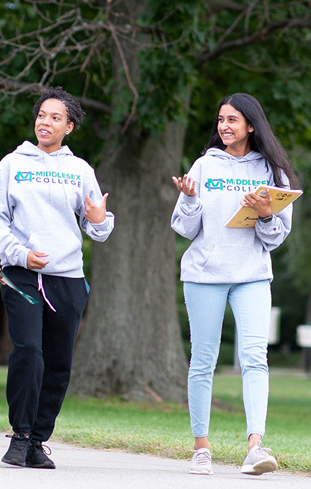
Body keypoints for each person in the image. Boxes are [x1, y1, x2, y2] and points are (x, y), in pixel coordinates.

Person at [0, 87, 114, 469]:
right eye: (42, 114)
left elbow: (100, 227)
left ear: (69, 126)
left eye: (55, 117)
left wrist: (98, 218)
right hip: (21, 275)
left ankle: (39, 440)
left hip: (68, 279)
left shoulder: (80, 170)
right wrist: (18, 254)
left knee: (59, 362)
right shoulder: (11, 164)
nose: (45, 121)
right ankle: (20, 436)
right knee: (28, 352)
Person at [171, 93, 298, 476]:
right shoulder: (204, 165)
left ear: (251, 125)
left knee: (255, 358)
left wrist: (264, 215)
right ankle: (201, 448)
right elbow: (183, 227)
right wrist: (190, 199)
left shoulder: (272, 173)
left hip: (252, 276)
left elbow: (275, 238)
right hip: (205, 275)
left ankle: (255, 448)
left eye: (233, 120)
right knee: (203, 361)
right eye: (221, 119)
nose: (224, 126)